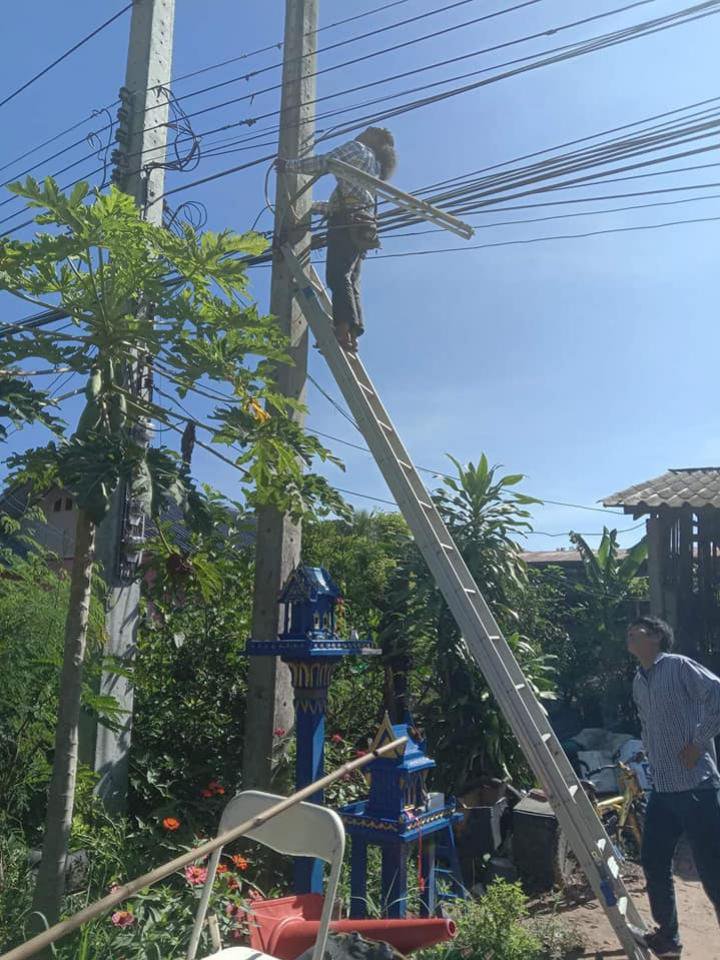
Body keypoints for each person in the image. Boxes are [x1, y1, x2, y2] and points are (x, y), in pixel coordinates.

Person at [627, 615, 720, 957]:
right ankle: (668, 939)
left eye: (636, 630)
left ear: (655, 637)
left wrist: (698, 741)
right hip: (663, 789)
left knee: (713, 871)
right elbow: (649, 725)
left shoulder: (679, 667)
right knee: (653, 860)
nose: (630, 635)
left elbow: (718, 694)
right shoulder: (639, 680)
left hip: (697, 786)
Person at [276, 127, 397, 352]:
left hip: (347, 222)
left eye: (369, 131)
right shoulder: (374, 168)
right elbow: (338, 204)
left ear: (375, 140)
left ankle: (341, 331)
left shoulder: (358, 149)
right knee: (350, 280)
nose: (363, 132)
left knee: (337, 275)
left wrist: (289, 166)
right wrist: (306, 208)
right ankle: (351, 335)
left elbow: (326, 162)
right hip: (363, 227)